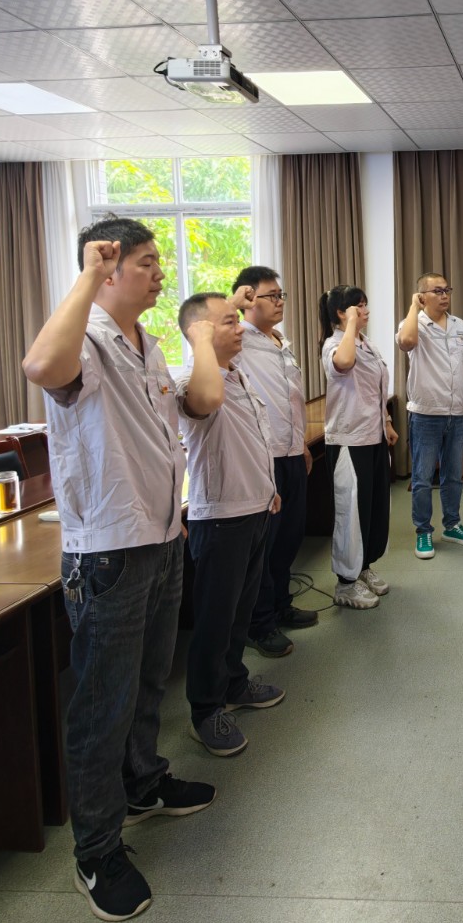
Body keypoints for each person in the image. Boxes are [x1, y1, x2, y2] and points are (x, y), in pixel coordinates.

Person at [21, 217, 212, 923]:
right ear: (108, 271)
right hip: (108, 550)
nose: (160, 273)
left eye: (159, 262)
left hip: (160, 536)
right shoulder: (87, 340)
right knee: (102, 707)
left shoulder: (146, 344)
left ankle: (143, 784)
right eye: (145, 262)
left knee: (148, 682)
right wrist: (86, 276)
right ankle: (96, 851)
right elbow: (41, 368)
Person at [176, 290, 286, 759]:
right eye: (227, 322)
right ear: (198, 331)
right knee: (215, 622)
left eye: (237, 320)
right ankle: (205, 710)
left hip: (254, 509)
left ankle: (234, 683)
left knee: (240, 613)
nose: (240, 327)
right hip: (221, 519)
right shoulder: (192, 380)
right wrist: (201, 343)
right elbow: (205, 401)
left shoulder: (238, 374)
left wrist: (268, 488)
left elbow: (253, 438)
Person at [231, 265, 317, 659]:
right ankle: (259, 623)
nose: (280, 302)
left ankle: (281, 604)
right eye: (271, 295)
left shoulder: (282, 341)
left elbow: (292, 398)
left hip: (291, 452)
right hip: (262, 458)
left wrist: (302, 444)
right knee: (263, 548)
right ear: (248, 298)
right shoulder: (238, 340)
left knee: (289, 538)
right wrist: (233, 305)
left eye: (282, 295)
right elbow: (201, 330)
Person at [396, 271, 463, 559]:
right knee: (422, 478)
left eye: (447, 290)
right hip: (426, 414)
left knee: (453, 475)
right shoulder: (413, 324)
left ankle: (452, 525)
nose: (444, 295)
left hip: (455, 413)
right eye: (437, 291)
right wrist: (413, 307)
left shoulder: (459, 325)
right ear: (422, 296)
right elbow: (406, 342)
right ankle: (423, 531)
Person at [321, 284, 396, 608]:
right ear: (342, 312)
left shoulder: (367, 343)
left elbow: (375, 390)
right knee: (350, 511)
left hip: (373, 436)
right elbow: (344, 363)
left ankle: (363, 567)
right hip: (349, 439)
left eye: (365, 305)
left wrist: (387, 423)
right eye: (359, 306)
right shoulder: (334, 344)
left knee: (373, 507)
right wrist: (350, 324)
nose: (365, 311)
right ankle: (345, 583)